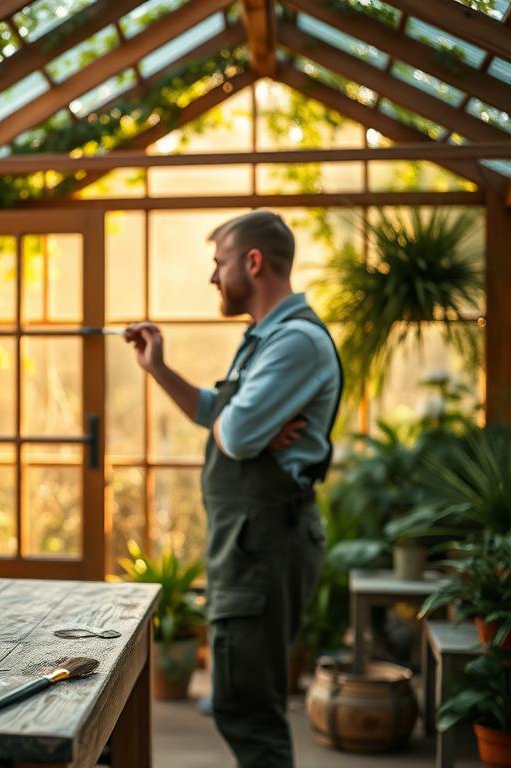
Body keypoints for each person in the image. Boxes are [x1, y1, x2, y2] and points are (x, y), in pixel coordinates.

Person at [124, 210, 342, 767]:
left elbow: (238, 433)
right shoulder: (263, 341)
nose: (212, 277)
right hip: (246, 543)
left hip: (266, 544)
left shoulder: (296, 343)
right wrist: (159, 369)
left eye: (219, 262)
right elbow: (224, 418)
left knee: (248, 709)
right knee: (239, 702)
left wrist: (246, 424)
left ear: (253, 261)